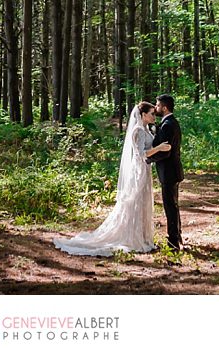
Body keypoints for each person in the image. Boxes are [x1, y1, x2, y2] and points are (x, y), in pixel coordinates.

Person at [53, 102, 171, 256]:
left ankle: (143, 237)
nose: (154, 116)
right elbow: (141, 154)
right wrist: (159, 148)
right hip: (138, 171)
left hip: (145, 169)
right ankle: (132, 237)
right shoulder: (137, 131)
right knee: (135, 202)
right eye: (151, 113)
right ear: (142, 115)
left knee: (143, 202)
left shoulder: (146, 129)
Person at [146, 94, 184, 250]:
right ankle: (177, 237)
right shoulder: (171, 122)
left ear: (165, 107)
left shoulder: (167, 125)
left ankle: (173, 242)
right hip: (173, 171)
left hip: (169, 171)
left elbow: (165, 152)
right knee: (173, 205)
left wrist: (148, 159)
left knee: (170, 207)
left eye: (158, 105)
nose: (156, 108)